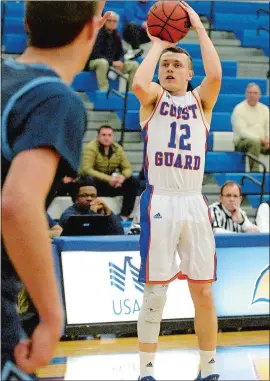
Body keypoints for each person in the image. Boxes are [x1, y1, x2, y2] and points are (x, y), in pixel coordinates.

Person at [1, 1, 109, 378]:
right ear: (92, 31)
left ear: (27, 22)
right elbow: (17, 204)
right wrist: (51, 316)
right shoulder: (53, 98)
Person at [132, 2, 222, 380]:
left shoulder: (202, 101)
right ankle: (147, 371)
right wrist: (158, 41)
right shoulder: (152, 98)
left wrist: (198, 29)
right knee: (155, 294)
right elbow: (138, 82)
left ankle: (209, 368)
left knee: (202, 292)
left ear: (188, 72)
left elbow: (215, 73)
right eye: (165, 65)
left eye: (176, 65)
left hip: (193, 202)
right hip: (161, 200)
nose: (168, 69)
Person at [81, 125, 138, 221]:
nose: (106, 138)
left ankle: (124, 216)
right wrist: (109, 179)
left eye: (109, 135)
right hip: (95, 183)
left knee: (132, 181)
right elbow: (87, 169)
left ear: (113, 137)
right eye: (103, 135)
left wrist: (122, 177)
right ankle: (89, 214)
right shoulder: (90, 148)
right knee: (88, 179)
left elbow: (128, 168)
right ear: (98, 137)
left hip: (111, 184)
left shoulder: (117, 149)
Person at [86, 11, 139, 91]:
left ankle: (131, 93)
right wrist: (112, 62)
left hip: (111, 64)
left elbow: (121, 53)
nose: (112, 23)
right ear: (104, 21)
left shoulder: (116, 35)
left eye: (114, 21)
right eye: (109, 20)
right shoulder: (98, 34)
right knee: (102, 63)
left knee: (134, 65)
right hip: (94, 63)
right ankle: (104, 92)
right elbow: (94, 54)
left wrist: (120, 62)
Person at [59, 177, 124, 235]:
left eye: (93, 196)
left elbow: (119, 232)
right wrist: (92, 213)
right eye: (84, 195)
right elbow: (85, 234)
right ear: (76, 199)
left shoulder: (99, 211)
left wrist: (107, 211)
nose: (89, 199)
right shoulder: (68, 215)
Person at [231, 83, 270, 172]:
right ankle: (255, 173)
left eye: (255, 93)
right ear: (246, 94)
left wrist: (268, 139)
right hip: (242, 142)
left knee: (257, 143)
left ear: (259, 95)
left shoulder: (265, 109)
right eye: (250, 93)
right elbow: (242, 132)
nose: (252, 95)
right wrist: (260, 139)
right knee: (254, 143)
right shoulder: (239, 109)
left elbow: (268, 127)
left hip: (263, 142)